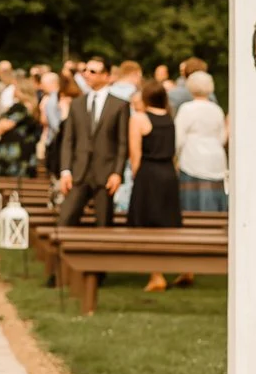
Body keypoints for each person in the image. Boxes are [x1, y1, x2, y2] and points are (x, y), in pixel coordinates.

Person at [57, 56, 130, 226]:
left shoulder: (119, 105)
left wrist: (117, 173)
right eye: (85, 70)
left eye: (93, 71)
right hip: (79, 172)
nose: (87, 74)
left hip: (105, 173)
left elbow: (122, 142)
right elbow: (68, 140)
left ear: (106, 76)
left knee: (103, 223)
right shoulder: (77, 104)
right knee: (65, 220)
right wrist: (65, 170)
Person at [127, 79, 182, 291]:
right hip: (168, 172)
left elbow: (135, 154)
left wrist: (135, 177)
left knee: (148, 223)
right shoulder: (169, 118)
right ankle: (185, 268)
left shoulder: (139, 119)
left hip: (148, 174)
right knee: (168, 222)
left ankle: (156, 274)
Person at [175, 71, 229, 212]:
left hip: (192, 158)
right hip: (216, 158)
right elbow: (222, 137)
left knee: (192, 202)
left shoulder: (186, 109)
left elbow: (178, 138)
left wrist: (175, 156)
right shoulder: (216, 109)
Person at [0, 75, 41, 180]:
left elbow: (5, 125)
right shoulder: (34, 107)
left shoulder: (20, 107)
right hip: (27, 150)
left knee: (9, 183)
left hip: (13, 152)